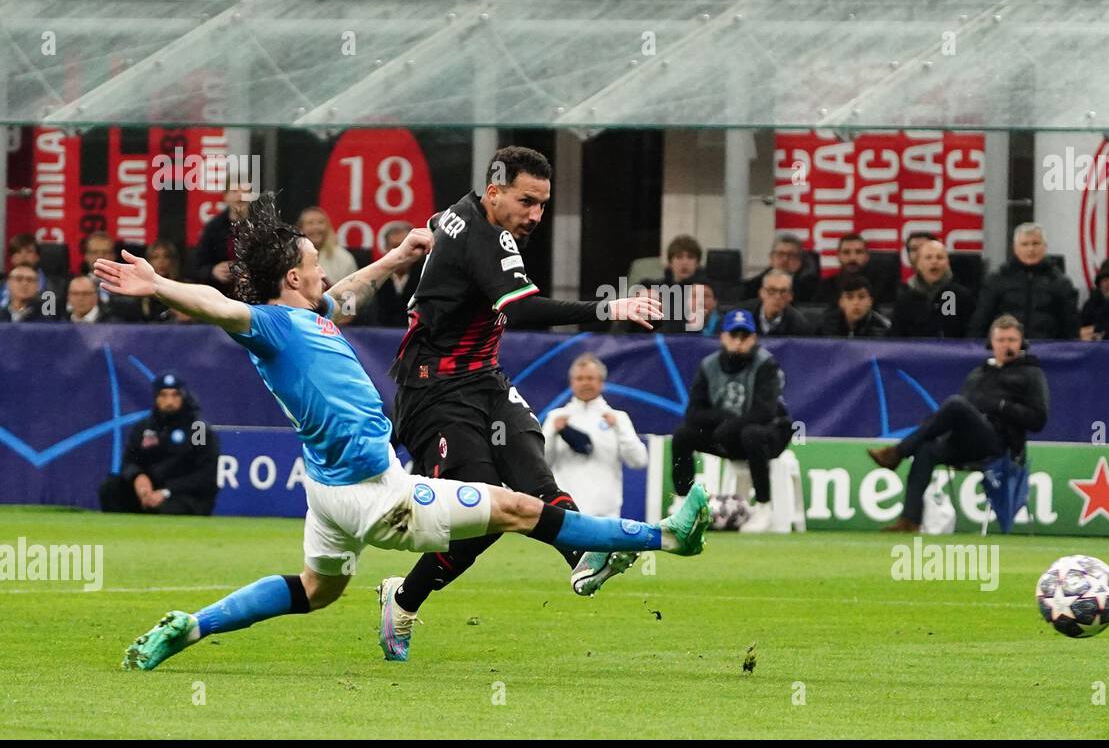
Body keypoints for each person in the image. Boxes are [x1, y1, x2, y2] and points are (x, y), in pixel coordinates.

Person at [97, 195, 708, 671]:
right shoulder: (270, 327)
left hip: (331, 492)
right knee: (519, 508)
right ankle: (667, 536)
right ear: (291, 277)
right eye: (313, 263)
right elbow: (218, 305)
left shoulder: (305, 314)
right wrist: (160, 286)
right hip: (374, 495)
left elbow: (347, 291)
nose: (322, 270)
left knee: (317, 590)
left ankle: (191, 625)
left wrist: (399, 257)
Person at [381, 146, 664, 660]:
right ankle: (402, 600)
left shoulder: (463, 216)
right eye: (526, 201)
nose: (535, 215)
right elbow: (526, 311)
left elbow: (441, 220)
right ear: (494, 192)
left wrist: (431, 233)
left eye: (542, 204)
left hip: (486, 381)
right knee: (482, 510)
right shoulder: (485, 239)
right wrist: (608, 306)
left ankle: (584, 554)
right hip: (434, 391)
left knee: (534, 479)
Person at [869, 314, 1048, 533]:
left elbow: (1038, 420)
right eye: (1001, 340)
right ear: (991, 343)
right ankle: (909, 521)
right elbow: (959, 416)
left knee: (955, 404)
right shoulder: (978, 374)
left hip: (1001, 445)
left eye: (1012, 340)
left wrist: (1002, 406)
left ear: (1021, 343)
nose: (1006, 345)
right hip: (967, 442)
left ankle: (897, 452)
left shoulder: (1031, 373)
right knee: (926, 449)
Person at [671, 309, 794, 533]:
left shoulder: (766, 364)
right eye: (733, 335)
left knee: (752, 434)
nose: (738, 342)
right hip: (725, 435)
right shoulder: (709, 365)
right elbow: (694, 412)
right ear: (723, 337)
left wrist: (731, 425)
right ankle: (683, 503)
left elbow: (764, 411)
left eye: (744, 336)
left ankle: (764, 508)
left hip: (770, 434)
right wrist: (723, 421)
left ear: (753, 339)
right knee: (683, 435)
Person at [542, 353, 649, 521]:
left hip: (605, 513)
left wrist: (620, 429)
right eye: (580, 378)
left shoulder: (617, 417)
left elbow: (639, 460)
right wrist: (552, 432)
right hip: (567, 510)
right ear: (572, 382)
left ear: (601, 382)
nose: (585, 382)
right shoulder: (556, 417)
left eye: (590, 378)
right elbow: (542, 463)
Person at [98, 372, 219, 515]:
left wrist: (166, 491)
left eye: (175, 395)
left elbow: (204, 474)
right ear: (156, 397)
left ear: (184, 397)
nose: (169, 401)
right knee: (111, 488)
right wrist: (138, 477)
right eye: (163, 395)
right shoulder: (145, 427)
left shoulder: (197, 429)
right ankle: (119, 533)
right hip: (151, 490)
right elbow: (129, 462)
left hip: (184, 495)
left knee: (161, 509)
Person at [968, 223, 1080, 340]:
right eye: (1024, 244)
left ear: (1045, 247)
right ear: (1015, 248)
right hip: (1005, 349)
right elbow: (980, 322)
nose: (1030, 249)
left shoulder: (1061, 283)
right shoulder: (996, 280)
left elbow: (1071, 326)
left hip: (1049, 351)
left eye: (1035, 243)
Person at [890, 238, 974, 338]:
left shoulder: (962, 296)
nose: (934, 261)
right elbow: (895, 338)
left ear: (947, 263)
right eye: (928, 258)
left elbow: (971, 335)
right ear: (918, 265)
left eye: (940, 257)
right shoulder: (905, 299)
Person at [193, 184, 254, 293]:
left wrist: (252, 272)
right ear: (225, 196)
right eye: (235, 191)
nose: (240, 196)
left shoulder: (261, 226)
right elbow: (196, 266)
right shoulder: (213, 228)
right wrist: (213, 271)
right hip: (220, 293)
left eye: (245, 192)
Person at [369, 222, 421, 328]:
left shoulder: (425, 275)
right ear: (386, 249)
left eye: (405, 246)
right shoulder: (375, 277)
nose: (401, 253)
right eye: (395, 247)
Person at [744, 233, 819, 303]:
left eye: (791, 255)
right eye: (780, 254)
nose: (785, 259)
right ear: (771, 258)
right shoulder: (753, 287)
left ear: (800, 260)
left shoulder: (814, 289)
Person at [297, 206, 358, 288]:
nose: (316, 227)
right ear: (301, 228)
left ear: (328, 227)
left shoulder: (344, 258)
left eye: (320, 222)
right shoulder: (292, 257)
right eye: (310, 223)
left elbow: (353, 290)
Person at [742, 269, 815, 336]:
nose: (777, 296)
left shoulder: (799, 325)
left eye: (783, 291)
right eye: (771, 290)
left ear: (790, 296)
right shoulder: (740, 316)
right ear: (762, 293)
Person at [818, 274, 891, 337]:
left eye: (861, 297)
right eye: (849, 297)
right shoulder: (826, 325)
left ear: (870, 302)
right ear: (841, 302)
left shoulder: (882, 327)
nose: (856, 302)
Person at [813, 233, 870, 304]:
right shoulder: (826, 287)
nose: (852, 258)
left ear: (867, 256)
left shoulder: (879, 287)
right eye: (846, 252)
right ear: (838, 256)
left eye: (858, 252)